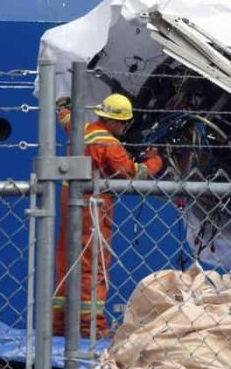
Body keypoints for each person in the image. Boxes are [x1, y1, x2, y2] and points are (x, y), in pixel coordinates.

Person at [52, 93, 163, 338]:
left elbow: (66, 118)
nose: (125, 127)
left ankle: (58, 325)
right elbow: (133, 173)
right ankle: (91, 327)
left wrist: (62, 107)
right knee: (93, 267)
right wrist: (156, 161)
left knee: (66, 263)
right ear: (113, 121)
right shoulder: (109, 144)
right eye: (123, 123)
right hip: (93, 206)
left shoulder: (82, 128)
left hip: (69, 199)